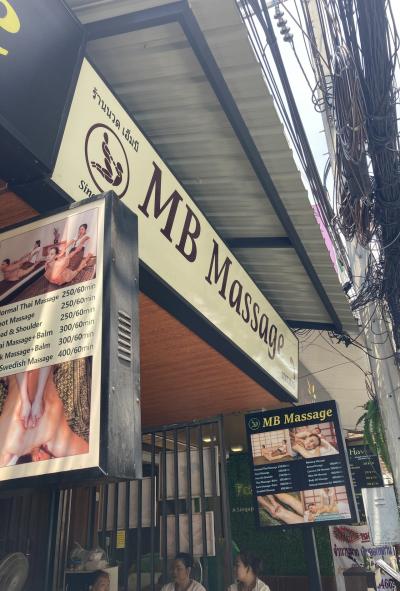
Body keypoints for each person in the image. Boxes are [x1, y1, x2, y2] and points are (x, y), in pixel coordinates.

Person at [0, 367, 89, 467]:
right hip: (14, 368)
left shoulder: (57, 440)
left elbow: (94, 460)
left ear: (37, 458)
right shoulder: (5, 445)